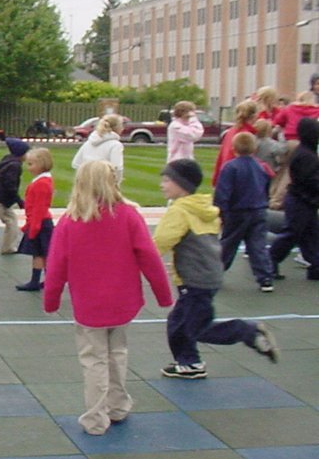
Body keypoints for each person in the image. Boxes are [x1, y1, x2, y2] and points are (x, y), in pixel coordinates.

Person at [44, 160, 173, 435]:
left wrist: (51, 299)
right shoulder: (128, 216)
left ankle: (95, 418)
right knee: (117, 353)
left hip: (90, 304)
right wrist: (163, 293)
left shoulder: (70, 221)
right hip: (123, 301)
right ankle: (117, 405)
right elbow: (149, 257)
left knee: (94, 360)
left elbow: (56, 265)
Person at [153, 158, 279, 379]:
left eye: (167, 180)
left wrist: (137, 260)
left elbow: (160, 242)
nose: (162, 185)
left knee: (197, 327)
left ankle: (247, 332)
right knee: (178, 322)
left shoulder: (179, 211)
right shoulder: (204, 207)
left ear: (181, 185)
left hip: (195, 279)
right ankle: (189, 363)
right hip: (208, 275)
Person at [214, 132, 274, 292]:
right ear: (254, 148)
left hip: (237, 212)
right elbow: (267, 186)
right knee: (258, 245)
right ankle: (265, 278)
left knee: (228, 244)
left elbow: (223, 193)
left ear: (234, 149)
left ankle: (215, 274)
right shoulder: (261, 166)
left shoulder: (230, 167)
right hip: (258, 209)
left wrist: (220, 212)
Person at [270, 117, 319, 281]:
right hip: (302, 200)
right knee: (292, 233)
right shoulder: (307, 155)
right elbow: (310, 181)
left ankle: (316, 266)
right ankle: (270, 261)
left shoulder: (305, 152)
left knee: (310, 234)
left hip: (303, 200)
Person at [15, 147, 54, 291]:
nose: (28, 167)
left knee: (42, 253)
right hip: (39, 222)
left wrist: (33, 227)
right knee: (40, 253)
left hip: (40, 223)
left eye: (31, 164)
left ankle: (42, 280)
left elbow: (39, 208)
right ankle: (41, 280)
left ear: (42, 164)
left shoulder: (42, 184)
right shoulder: (42, 181)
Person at [212, 100, 257, 186]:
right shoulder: (247, 135)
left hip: (226, 172)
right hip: (238, 176)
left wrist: (216, 178)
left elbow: (221, 155)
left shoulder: (231, 131)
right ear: (254, 116)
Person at [71, 113, 124, 185]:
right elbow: (117, 168)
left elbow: (76, 163)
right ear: (117, 128)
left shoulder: (88, 143)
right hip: (105, 186)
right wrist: (115, 185)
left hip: (86, 185)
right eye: (121, 126)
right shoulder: (116, 145)